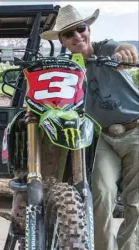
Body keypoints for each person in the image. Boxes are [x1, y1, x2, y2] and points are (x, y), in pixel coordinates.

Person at [41, 5, 139, 250]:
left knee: (135, 201)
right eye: (68, 34)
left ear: (88, 29)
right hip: (104, 137)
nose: (77, 37)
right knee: (101, 194)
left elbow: (123, 49)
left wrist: (126, 52)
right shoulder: (67, 69)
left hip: (136, 131)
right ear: (62, 41)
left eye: (80, 29)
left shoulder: (105, 49)